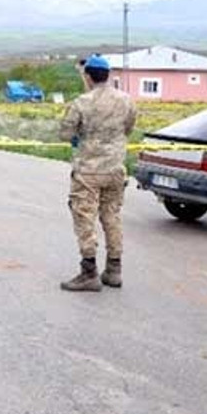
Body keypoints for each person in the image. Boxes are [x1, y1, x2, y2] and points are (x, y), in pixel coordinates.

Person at [59, 54, 137, 292]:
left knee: (85, 218)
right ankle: (114, 269)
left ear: (89, 76)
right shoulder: (126, 101)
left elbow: (64, 133)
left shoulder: (81, 103)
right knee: (111, 216)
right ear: (108, 75)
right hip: (115, 170)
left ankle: (89, 272)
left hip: (89, 171)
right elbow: (129, 128)